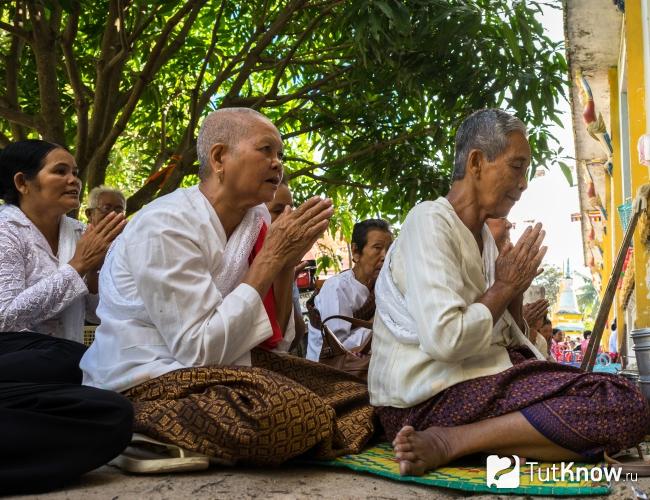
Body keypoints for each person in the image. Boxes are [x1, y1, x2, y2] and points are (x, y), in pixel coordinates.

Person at [81, 108, 375, 468]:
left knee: (362, 396)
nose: (277, 163)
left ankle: (209, 439)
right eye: (266, 150)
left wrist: (283, 264)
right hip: (149, 375)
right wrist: (270, 258)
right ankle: (134, 427)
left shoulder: (255, 219)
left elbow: (277, 340)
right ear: (220, 157)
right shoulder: (166, 224)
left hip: (229, 364)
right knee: (293, 414)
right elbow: (198, 350)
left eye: (280, 155)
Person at [368, 109, 650, 476]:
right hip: (422, 401)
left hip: (467, 381)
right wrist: (504, 287)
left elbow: (504, 341)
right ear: (476, 162)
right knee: (624, 405)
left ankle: (486, 439)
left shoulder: (483, 238)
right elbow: (446, 339)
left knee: (619, 398)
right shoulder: (429, 221)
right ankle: (450, 441)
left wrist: (512, 294)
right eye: (517, 167)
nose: (524, 183)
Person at [0, 140, 133, 493]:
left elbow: (95, 313)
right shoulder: (5, 231)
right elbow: (6, 318)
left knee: (116, 415)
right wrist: (78, 266)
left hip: (55, 370)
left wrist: (94, 275)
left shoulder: (80, 233)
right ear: (22, 182)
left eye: (75, 172)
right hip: (12, 356)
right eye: (60, 171)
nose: (74, 180)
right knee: (81, 359)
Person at [306, 219, 392, 361]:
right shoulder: (337, 287)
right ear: (356, 252)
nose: (385, 256)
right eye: (377, 248)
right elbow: (339, 346)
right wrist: (379, 323)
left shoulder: (382, 286)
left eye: (389, 249)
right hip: (328, 369)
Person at [265, 177, 307, 352]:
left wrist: (287, 279)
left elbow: (293, 339)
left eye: (291, 209)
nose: (288, 218)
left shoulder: (287, 264)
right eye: (278, 210)